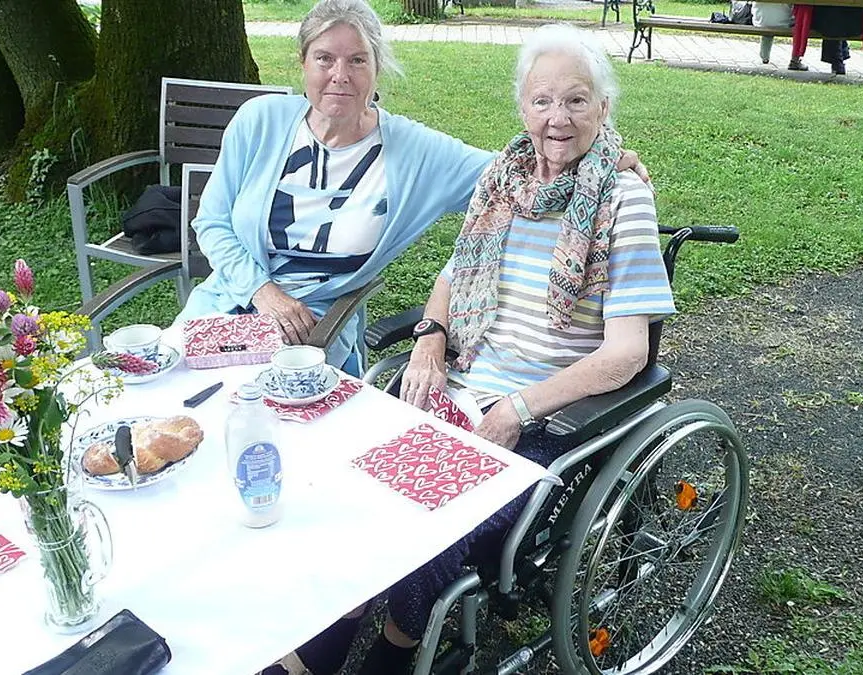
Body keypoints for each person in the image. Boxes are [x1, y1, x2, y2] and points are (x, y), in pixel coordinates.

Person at [262, 22, 676, 675]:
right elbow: (451, 279)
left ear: (604, 107)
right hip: (460, 383)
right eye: (542, 101)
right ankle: (315, 647)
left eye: (575, 100)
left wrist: (517, 406)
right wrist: (429, 338)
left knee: (424, 527)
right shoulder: (503, 186)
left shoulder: (622, 199)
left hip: (544, 414)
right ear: (522, 108)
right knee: (350, 486)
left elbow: (627, 354)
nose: (557, 118)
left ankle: (396, 650)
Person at [177, 0, 647, 376]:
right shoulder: (259, 121)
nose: (340, 75)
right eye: (325, 58)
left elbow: (515, 173)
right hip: (224, 303)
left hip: (313, 331)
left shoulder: (413, 151)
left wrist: (597, 158)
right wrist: (262, 291)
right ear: (303, 63)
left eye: (357, 60)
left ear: (377, 68)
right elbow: (211, 222)